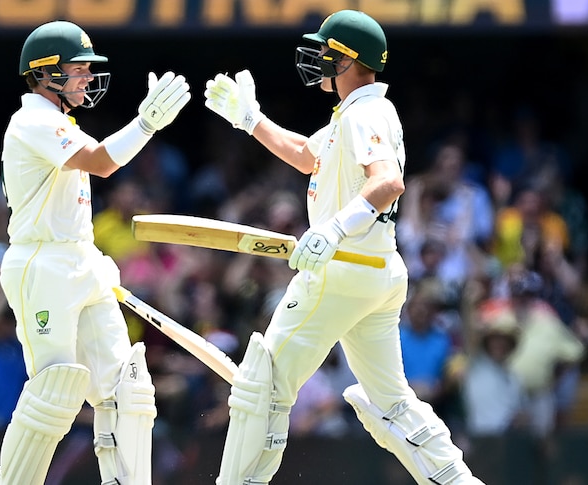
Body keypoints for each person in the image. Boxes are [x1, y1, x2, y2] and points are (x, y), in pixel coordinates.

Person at [203, 10, 483, 484]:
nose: (318, 60)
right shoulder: (357, 113)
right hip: (377, 273)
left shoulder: (366, 113)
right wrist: (250, 120)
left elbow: (389, 182)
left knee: (263, 382)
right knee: (391, 400)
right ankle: (456, 480)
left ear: (348, 59)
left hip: (343, 269)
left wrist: (333, 230)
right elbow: (306, 156)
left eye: (326, 52)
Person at [0, 20, 190, 485]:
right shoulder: (33, 121)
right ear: (45, 73)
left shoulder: (59, 121)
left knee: (128, 391)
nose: (87, 78)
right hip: (41, 264)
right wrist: (145, 124)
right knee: (55, 391)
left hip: (80, 260)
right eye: (78, 69)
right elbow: (102, 163)